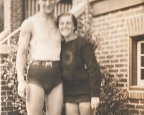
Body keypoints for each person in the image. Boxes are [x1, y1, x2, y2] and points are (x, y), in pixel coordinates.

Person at [16, 0, 63, 115]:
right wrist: (21, 81)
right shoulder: (29, 23)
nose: (48, 3)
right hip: (36, 76)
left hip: (56, 77)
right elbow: (21, 53)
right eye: (44, 0)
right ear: (38, 1)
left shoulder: (60, 24)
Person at [57, 12, 101, 115]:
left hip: (85, 92)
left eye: (68, 23)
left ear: (74, 26)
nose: (64, 26)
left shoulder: (83, 44)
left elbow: (94, 69)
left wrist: (95, 95)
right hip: (69, 94)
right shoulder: (59, 46)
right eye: (61, 23)